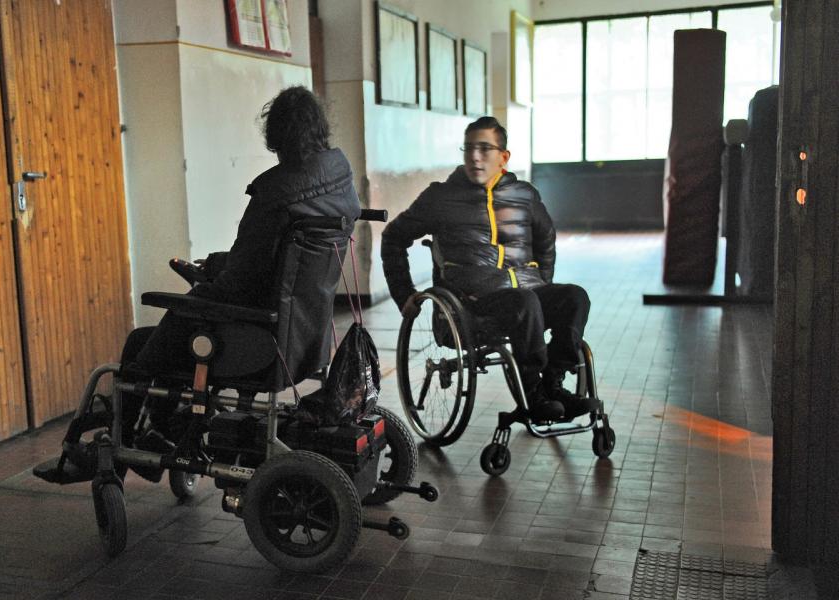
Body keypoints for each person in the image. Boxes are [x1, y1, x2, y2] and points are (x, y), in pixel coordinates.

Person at [124, 86, 361, 462]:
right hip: (306, 336)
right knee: (180, 330)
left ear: (275, 136)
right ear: (320, 128)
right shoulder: (340, 180)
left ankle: (129, 444)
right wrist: (218, 265)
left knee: (143, 343)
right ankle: (166, 429)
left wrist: (208, 279)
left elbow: (239, 282)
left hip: (260, 340)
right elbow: (274, 261)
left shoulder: (275, 193)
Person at [381, 116, 592, 421]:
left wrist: (542, 281)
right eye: (468, 149)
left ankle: (553, 383)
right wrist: (404, 294)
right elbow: (393, 237)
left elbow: (546, 239)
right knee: (525, 302)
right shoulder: (441, 198)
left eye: (484, 148)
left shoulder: (524, 195)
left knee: (575, 298)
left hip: (525, 295)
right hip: (472, 302)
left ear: (503, 157)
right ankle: (533, 396)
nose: (475, 157)